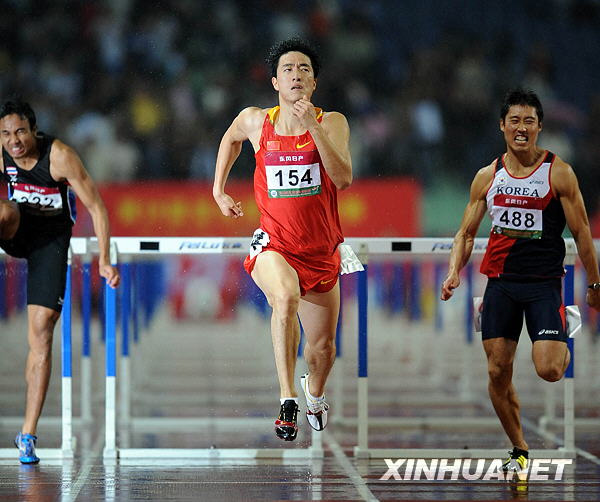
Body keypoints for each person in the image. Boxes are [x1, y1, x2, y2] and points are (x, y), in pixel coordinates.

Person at [441, 88, 600, 474]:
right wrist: (453, 271)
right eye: (514, 120)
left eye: (529, 121)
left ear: (540, 127)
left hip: (544, 284)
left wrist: (594, 284)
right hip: (500, 284)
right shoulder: (487, 176)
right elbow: (465, 233)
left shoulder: (558, 172)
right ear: (502, 126)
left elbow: (580, 233)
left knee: (549, 370)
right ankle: (519, 447)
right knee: (497, 370)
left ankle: (564, 323)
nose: (522, 128)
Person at [213, 38, 352, 441]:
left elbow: (342, 178)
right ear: (276, 81)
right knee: (285, 296)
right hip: (274, 244)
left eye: (304, 69)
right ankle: (288, 398)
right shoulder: (257, 120)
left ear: (314, 83)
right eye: (288, 69)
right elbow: (230, 138)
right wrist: (219, 190)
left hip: (322, 252)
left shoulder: (332, 122)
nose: (296, 74)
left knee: (323, 351)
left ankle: (314, 391)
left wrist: (311, 125)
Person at [0, 99, 120, 463]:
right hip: (15, 228)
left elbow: (97, 206)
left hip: (50, 242)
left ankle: (27, 434)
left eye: (20, 132)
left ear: (33, 130)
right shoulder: (2, 151)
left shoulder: (60, 156)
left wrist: (104, 260)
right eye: (6, 134)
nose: (14, 141)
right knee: (3, 209)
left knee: (41, 331)